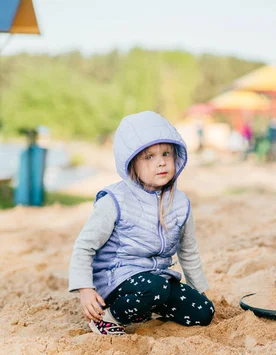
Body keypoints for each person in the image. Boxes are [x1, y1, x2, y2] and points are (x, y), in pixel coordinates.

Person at [69, 111, 215, 335]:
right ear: (131, 164)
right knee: (154, 288)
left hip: (157, 281)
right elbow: (84, 246)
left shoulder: (181, 203)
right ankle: (108, 318)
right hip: (116, 280)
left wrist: (199, 291)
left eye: (166, 153)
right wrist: (85, 290)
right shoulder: (115, 201)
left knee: (203, 312)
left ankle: (150, 308)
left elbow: (188, 252)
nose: (161, 163)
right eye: (149, 157)